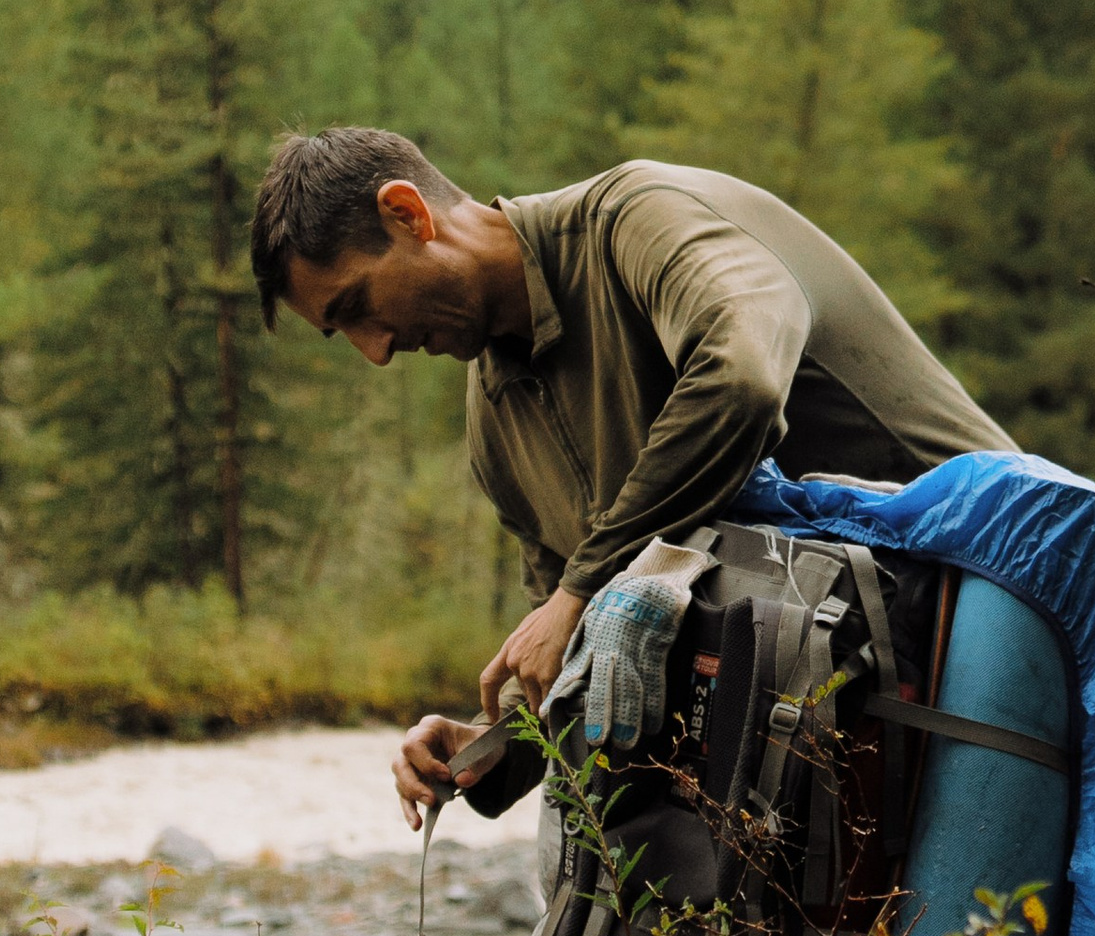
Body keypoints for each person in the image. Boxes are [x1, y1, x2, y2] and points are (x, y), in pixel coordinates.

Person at [250, 128, 1014, 836]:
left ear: (408, 214)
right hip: (844, 723)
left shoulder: (639, 219)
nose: (374, 352)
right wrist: (493, 745)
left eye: (358, 306)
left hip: (992, 618)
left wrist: (583, 585)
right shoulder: (495, 425)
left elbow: (741, 378)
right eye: (340, 332)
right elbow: (580, 648)